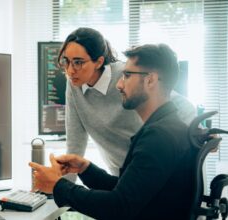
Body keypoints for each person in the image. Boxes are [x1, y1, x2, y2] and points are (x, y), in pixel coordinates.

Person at [30, 44, 195, 220]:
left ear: (150, 80)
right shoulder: (165, 127)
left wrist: (57, 186)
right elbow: (127, 192)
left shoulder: (159, 137)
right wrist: (86, 169)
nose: (119, 84)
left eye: (127, 75)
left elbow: (118, 207)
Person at [59, 27, 195, 176]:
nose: (70, 70)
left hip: (151, 169)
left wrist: (193, 135)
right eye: (66, 61)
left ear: (98, 62)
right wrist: (60, 190)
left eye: (78, 62)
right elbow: (75, 144)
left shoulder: (127, 75)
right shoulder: (74, 83)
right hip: (120, 174)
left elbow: (182, 106)